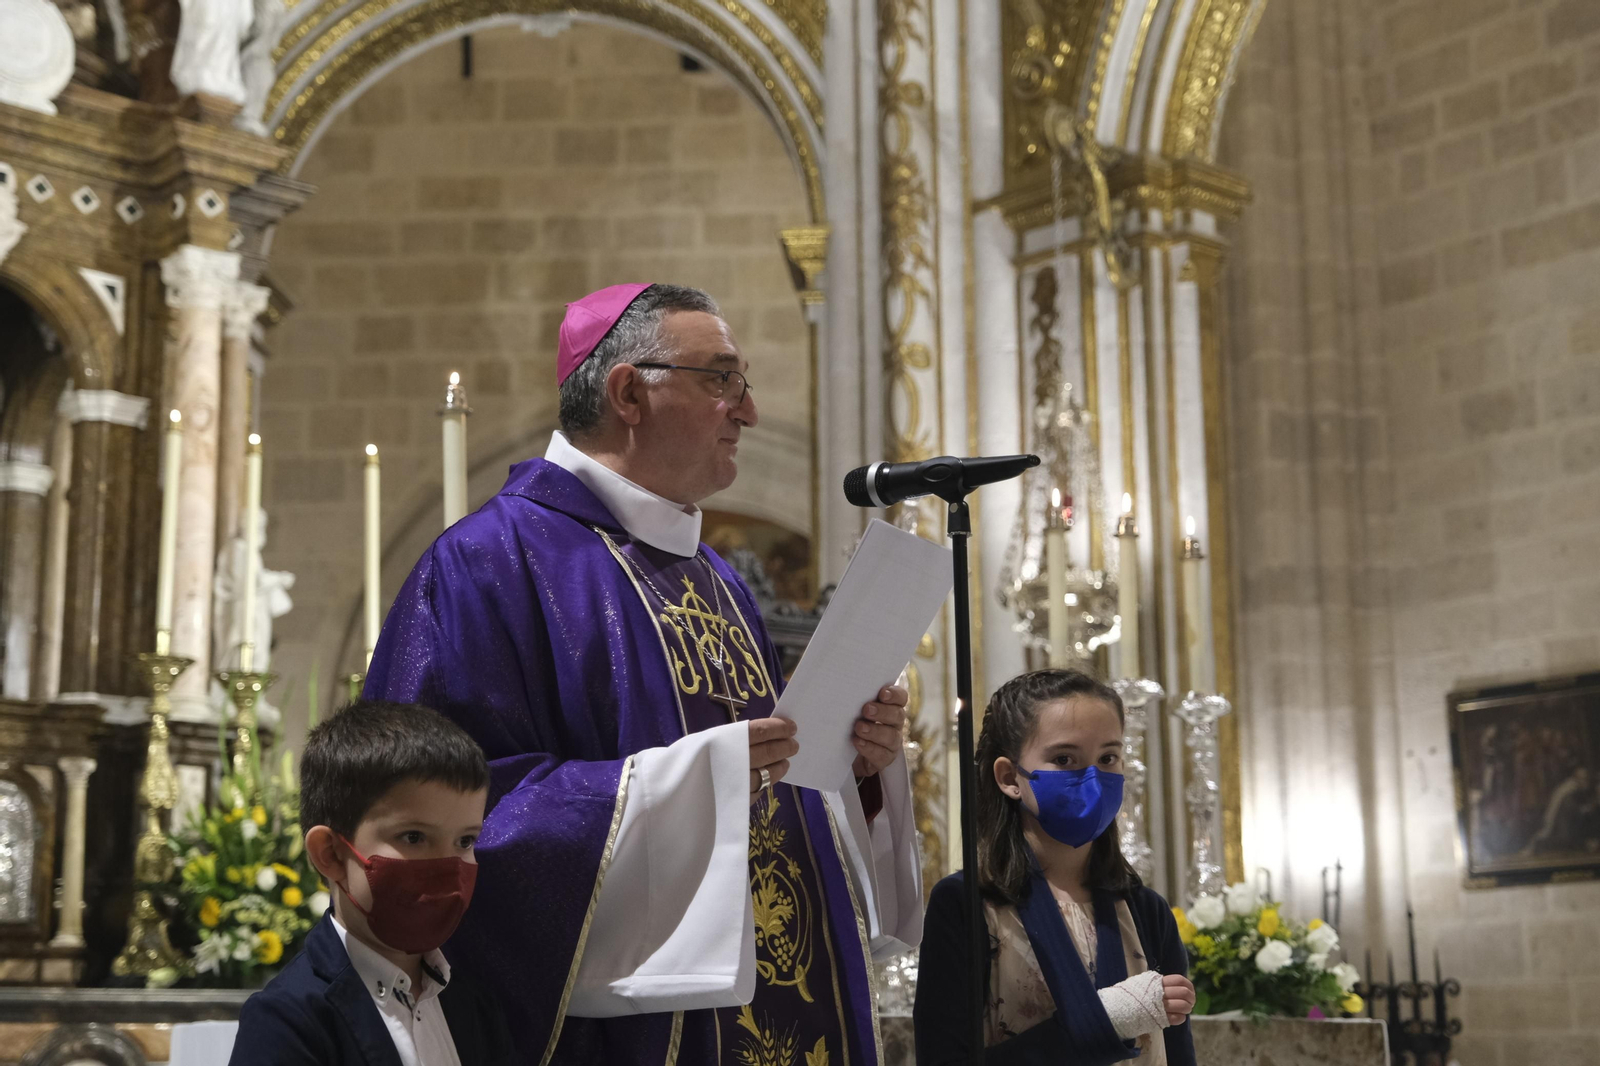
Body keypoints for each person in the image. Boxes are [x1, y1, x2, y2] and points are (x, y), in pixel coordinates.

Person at [364, 283, 923, 1066]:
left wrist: (851, 767)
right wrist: (699, 780)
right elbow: (433, 821)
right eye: (721, 379)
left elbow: (773, 796)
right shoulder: (488, 563)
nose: (748, 410)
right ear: (629, 391)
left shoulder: (717, 580)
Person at [914, 669, 1197, 1065]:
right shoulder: (967, 905)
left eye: (1108, 758)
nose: (1094, 778)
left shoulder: (1146, 912)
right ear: (1010, 777)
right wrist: (1110, 1018)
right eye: (1065, 759)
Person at [229, 700, 515, 1066]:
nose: (447, 866)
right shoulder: (287, 1020)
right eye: (414, 837)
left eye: (465, 841)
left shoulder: (475, 1007)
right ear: (331, 854)